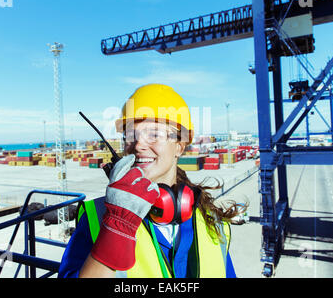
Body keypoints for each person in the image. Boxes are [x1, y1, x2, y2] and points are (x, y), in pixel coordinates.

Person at [58, 83, 246, 278]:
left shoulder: (214, 225)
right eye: (130, 135)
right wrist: (115, 228)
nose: (138, 145)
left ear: (180, 147)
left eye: (154, 135)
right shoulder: (96, 218)